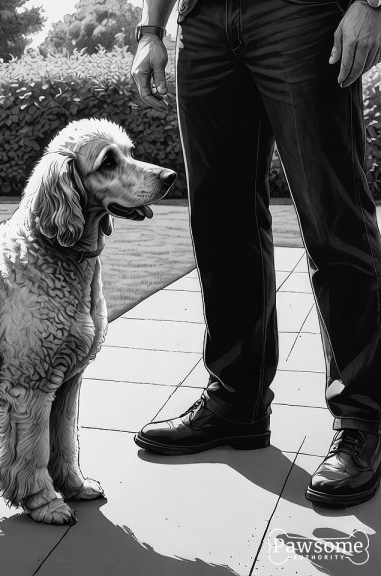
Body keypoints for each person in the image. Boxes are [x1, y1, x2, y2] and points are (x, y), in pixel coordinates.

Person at [131, 0, 381, 507]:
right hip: (203, 20)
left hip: (301, 13)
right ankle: (235, 402)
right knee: (220, 224)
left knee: (334, 217)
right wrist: (150, 28)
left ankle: (363, 419)